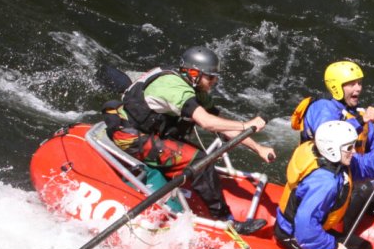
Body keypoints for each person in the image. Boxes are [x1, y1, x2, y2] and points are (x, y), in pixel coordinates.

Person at [102, 46, 275, 235]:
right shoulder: (175, 89)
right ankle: (226, 221)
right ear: (194, 73)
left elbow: (222, 125)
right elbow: (207, 123)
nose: (215, 81)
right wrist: (247, 124)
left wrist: (258, 148)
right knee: (201, 161)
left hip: (149, 132)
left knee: (194, 156)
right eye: (211, 77)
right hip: (131, 137)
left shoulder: (192, 86)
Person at [289, 60, 374, 240]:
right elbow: (331, 136)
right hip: (331, 181)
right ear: (337, 87)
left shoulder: (357, 113)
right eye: (351, 84)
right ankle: (344, 242)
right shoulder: (322, 108)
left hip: (354, 177)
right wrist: (362, 121)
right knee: (356, 196)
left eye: (360, 83)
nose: (358, 88)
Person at [274, 120, 374, 249]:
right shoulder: (325, 183)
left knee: (360, 245)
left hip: (302, 228)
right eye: (350, 148)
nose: (355, 151)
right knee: (364, 248)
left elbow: (360, 166)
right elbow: (305, 226)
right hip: (294, 235)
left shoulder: (328, 158)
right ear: (332, 149)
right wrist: (332, 247)